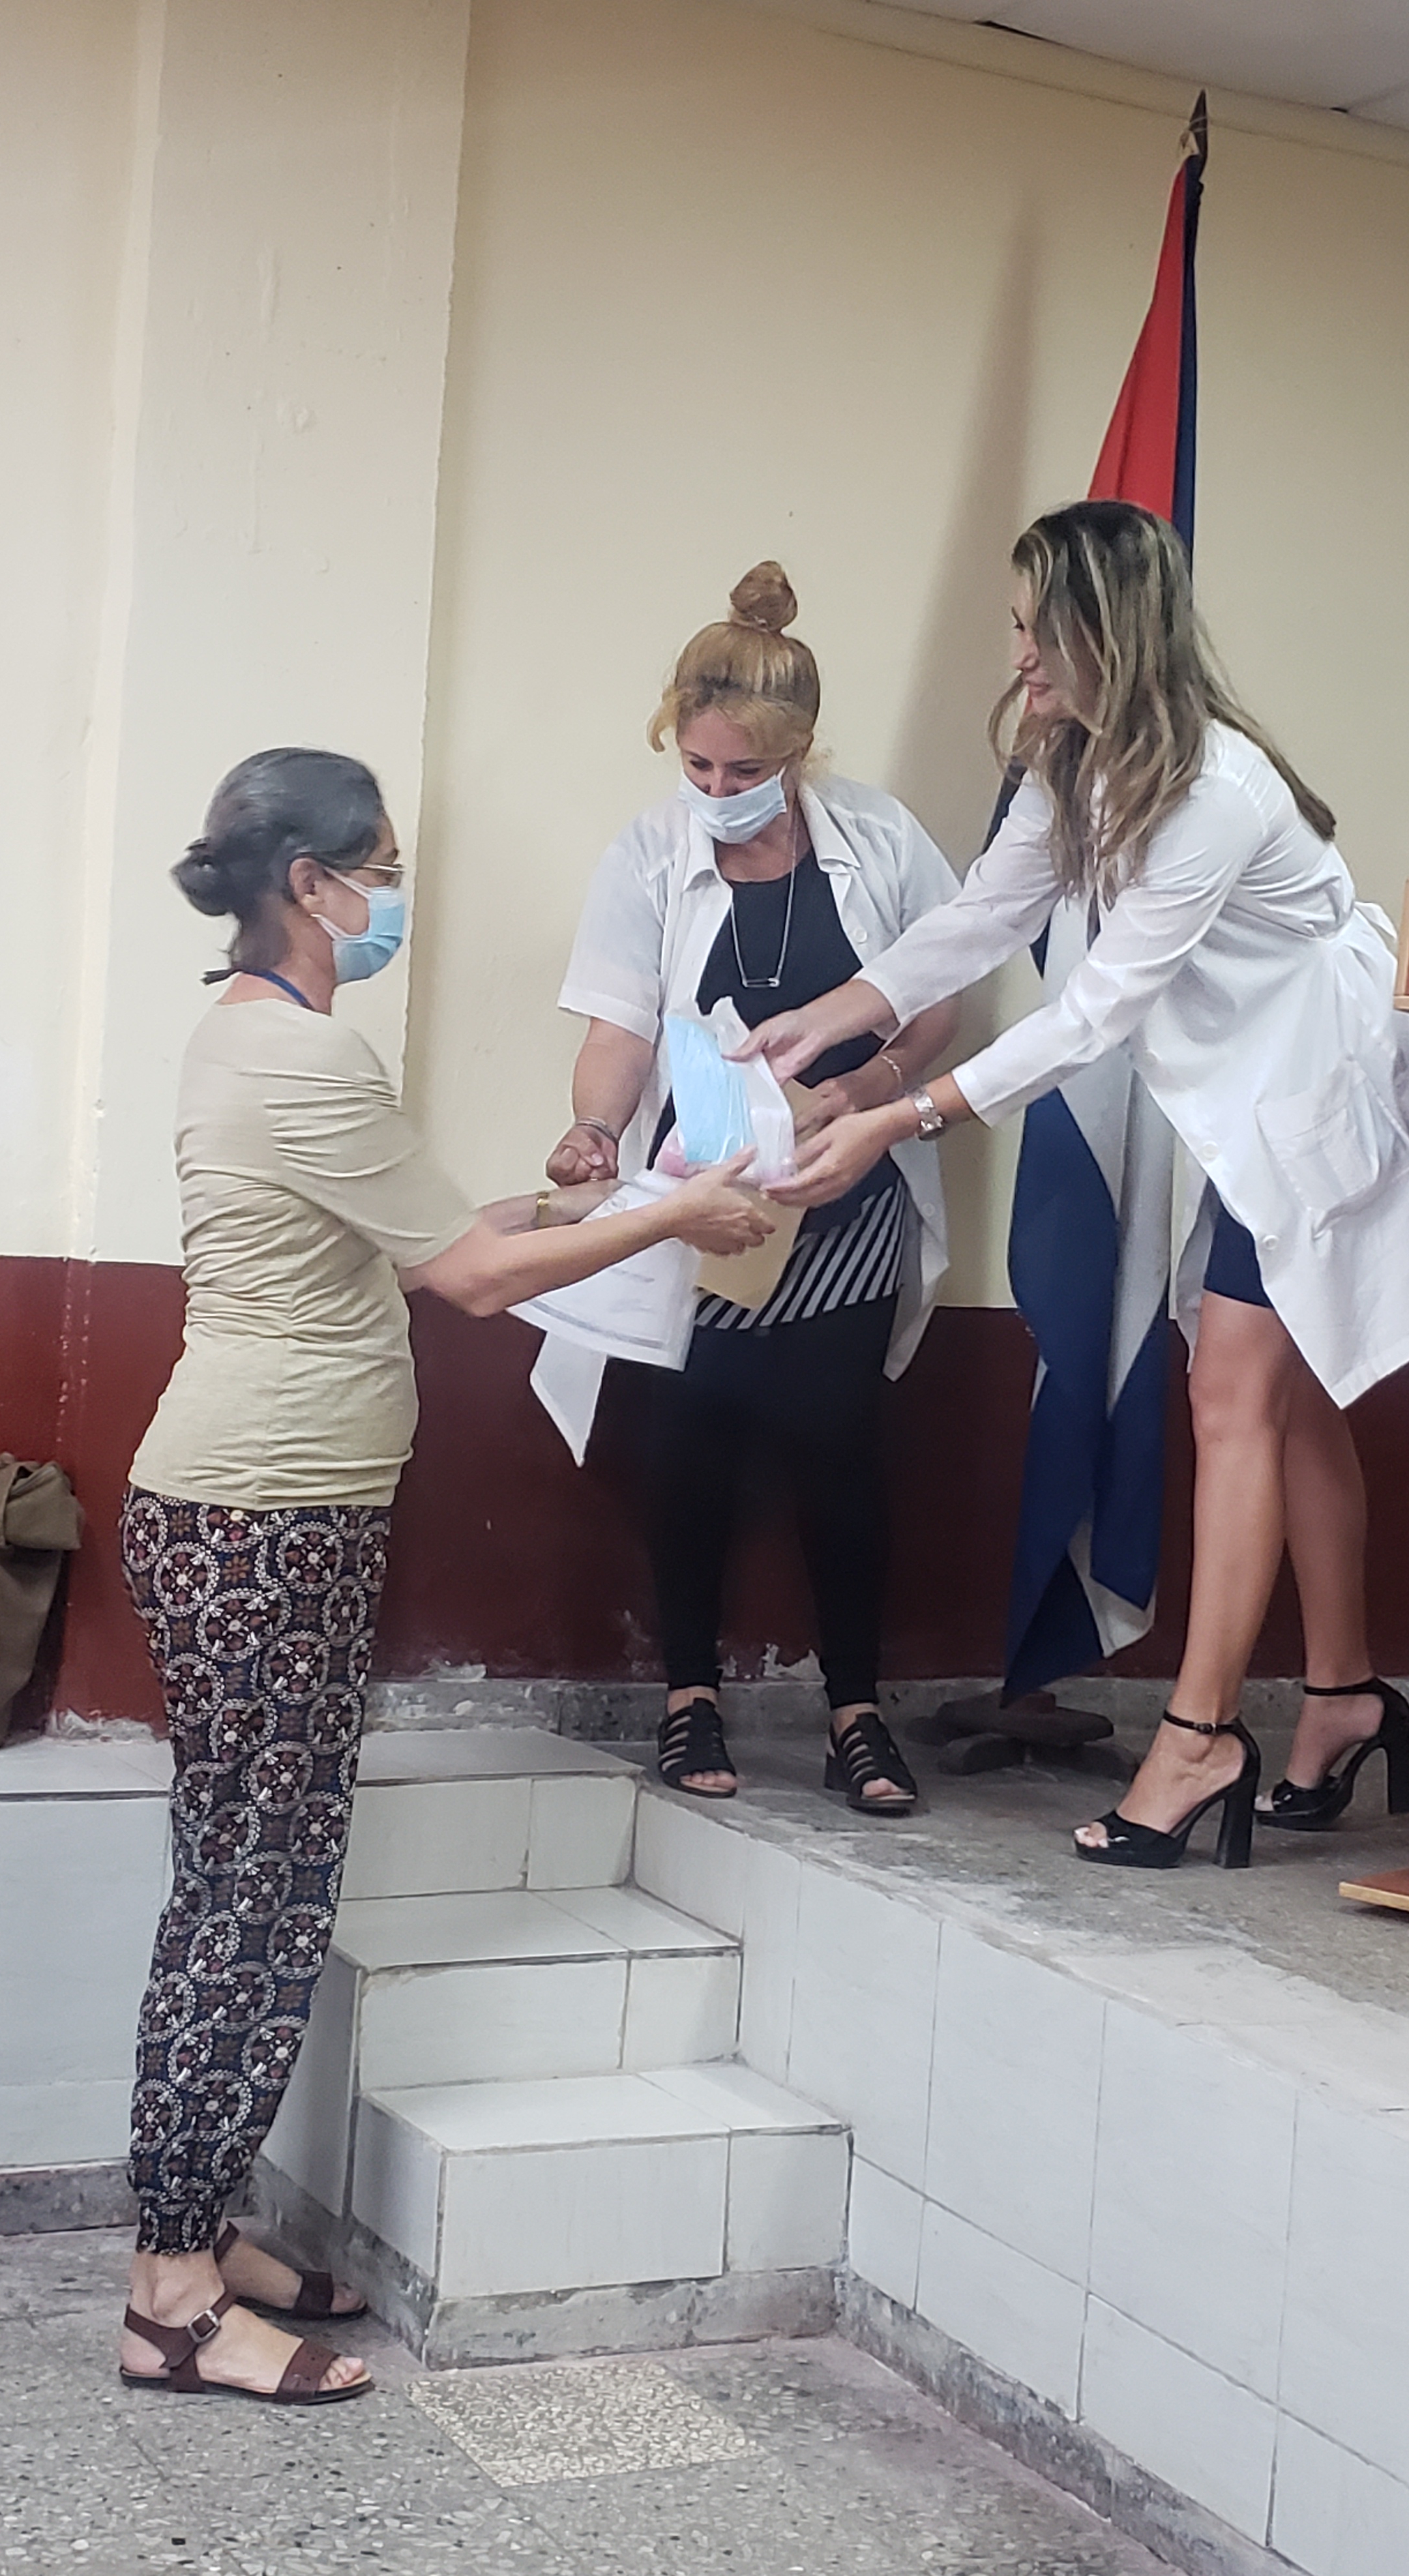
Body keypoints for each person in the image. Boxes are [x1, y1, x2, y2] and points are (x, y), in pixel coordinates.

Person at [117, 747, 769, 2406]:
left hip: (254, 1511)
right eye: (384, 868)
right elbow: (475, 1281)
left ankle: (202, 2229)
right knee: (252, 1903)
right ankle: (171, 2297)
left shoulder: (251, 1036)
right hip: (266, 1521)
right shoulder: (303, 1054)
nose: (394, 896)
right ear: (312, 881)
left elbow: (427, 1237)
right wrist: (677, 1215)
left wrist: (603, 1193)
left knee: (241, 1882)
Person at [747, 503, 1409, 1870]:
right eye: (1017, 627)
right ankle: (1345, 1696)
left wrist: (901, 1113)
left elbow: (1091, 1012)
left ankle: (1200, 1736)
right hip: (1246, 1099)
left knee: (1234, 1396)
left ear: (1111, 630)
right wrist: (829, 1019)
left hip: (1315, 1090)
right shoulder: (1070, 756)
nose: (1020, 655)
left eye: (1041, 628)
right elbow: (983, 917)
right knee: (1290, 1391)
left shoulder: (1214, 790)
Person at [551, 564, 962, 1815]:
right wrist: (593, 1130)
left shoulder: (880, 841)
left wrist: (871, 1090)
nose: (719, 790)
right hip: (706, 1200)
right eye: (699, 766)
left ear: (799, 754)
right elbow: (620, 1023)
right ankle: (690, 1694)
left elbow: (940, 998)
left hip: (845, 1191)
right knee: (692, 1443)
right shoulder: (648, 852)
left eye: (745, 770)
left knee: (841, 1449)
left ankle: (856, 1712)